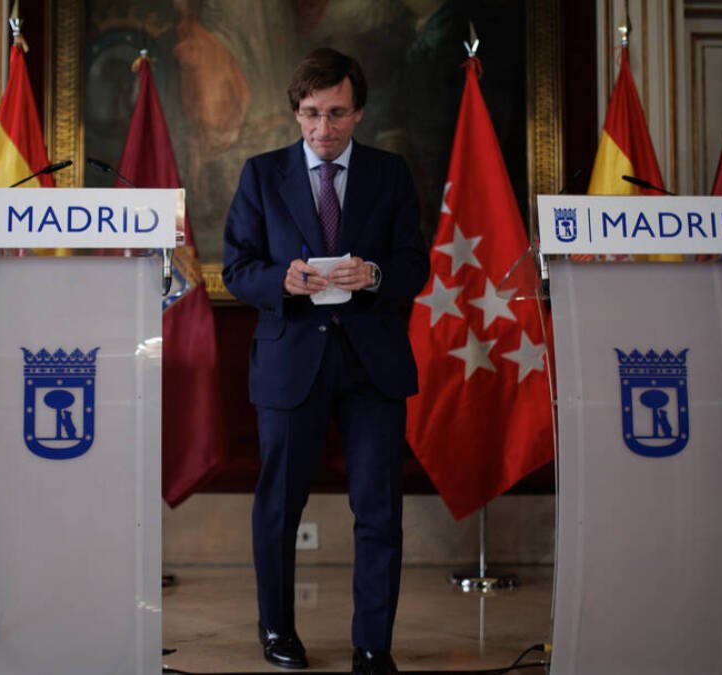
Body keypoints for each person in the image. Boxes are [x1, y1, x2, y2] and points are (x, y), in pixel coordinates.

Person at [222, 47, 429, 675]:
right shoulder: (261, 175)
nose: (324, 128)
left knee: (378, 509)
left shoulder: (390, 174)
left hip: (371, 363)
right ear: (296, 113)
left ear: (359, 111)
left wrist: (375, 273)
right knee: (279, 509)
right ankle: (278, 632)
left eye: (337, 113)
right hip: (292, 359)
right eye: (312, 114)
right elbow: (237, 268)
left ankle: (373, 644)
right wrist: (281, 282)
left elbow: (415, 266)